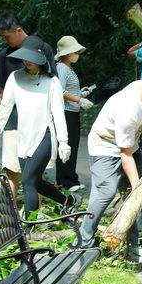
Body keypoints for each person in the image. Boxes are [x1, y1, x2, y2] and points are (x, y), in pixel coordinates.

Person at [78, 66, 142, 264]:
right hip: (105, 146)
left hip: (129, 145)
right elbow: (124, 155)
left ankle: (136, 245)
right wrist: (137, 187)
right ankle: (83, 242)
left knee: (141, 198)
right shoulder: (129, 109)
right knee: (106, 192)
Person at [0, 36, 79, 219]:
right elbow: (5, 108)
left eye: (31, 58)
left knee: (28, 181)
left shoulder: (51, 82)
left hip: (44, 136)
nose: (27, 61)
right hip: (24, 138)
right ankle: (69, 202)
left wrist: (63, 142)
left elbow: (58, 114)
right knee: (35, 181)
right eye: (24, 58)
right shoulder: (14, 78)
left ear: (40, 60)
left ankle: (29, 226)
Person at [0, 12, 57, 199]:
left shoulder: (43, 49)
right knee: (11, 170)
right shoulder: (5, 55)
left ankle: (36, 216)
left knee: (35, 172)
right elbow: (0, 90)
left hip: (38, 123)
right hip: (13, 122)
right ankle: (13, 215)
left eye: (7, 36)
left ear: (18, 30)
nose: (5, 40)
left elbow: (53, 85)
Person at [55, 35, 94, 192]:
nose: (77, 54)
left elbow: (68, 90)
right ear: (67, 53)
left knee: (73, 146)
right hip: (66, 112)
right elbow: (60, 90)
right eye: (75, 52)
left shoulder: (68, 68)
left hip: (72, 111)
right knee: (68, 146)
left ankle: (70, 178)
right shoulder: (62, 68)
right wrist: (79, 100)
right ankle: (65, 181)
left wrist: (81, 93)